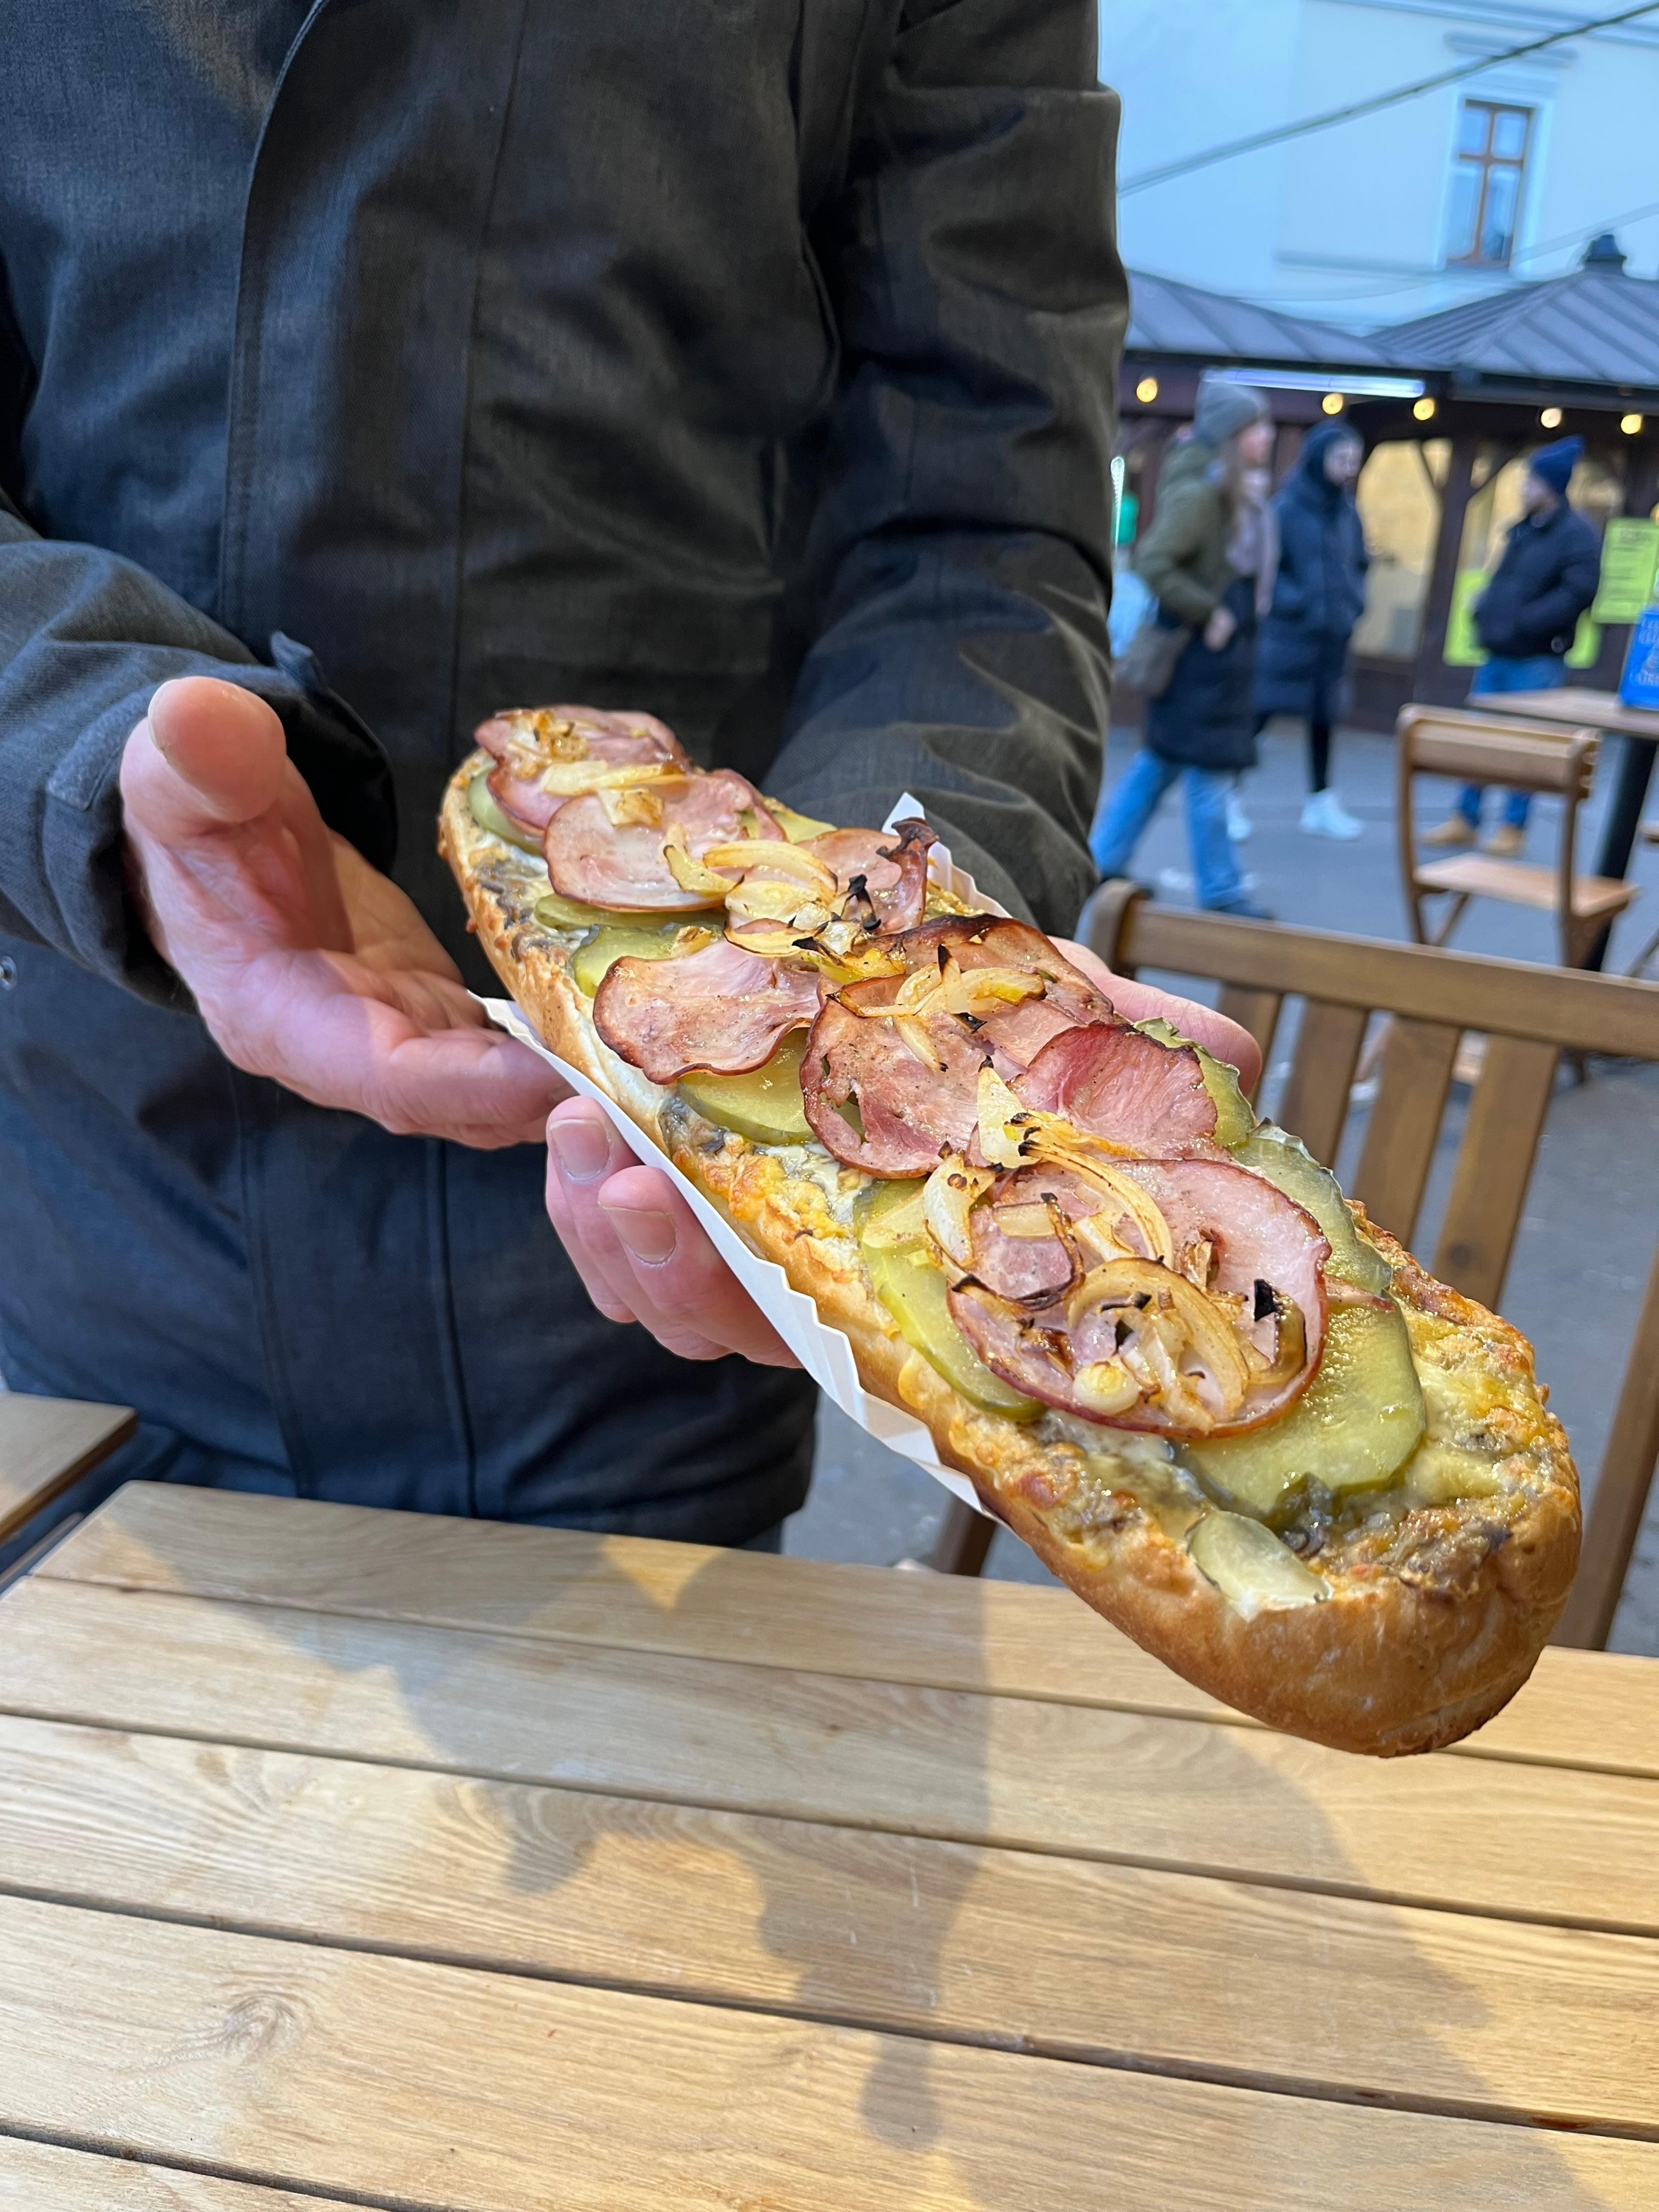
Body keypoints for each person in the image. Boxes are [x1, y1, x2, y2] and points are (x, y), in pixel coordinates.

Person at [0, 9, 1260, 1561]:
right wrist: (78, 755)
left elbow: (979, 525)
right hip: (96, 1220)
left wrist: (906, 967)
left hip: (662, 1285)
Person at [1092, 375, 1276, 918]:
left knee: (1158, 766)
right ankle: (1221, 889)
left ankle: (1101, 860)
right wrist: (1209, 610)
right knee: (1207, 778)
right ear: (1233, 434)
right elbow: (1153, 560)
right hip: (1199, 663)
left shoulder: (1230, 490)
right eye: (1257, 427)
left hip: (1212, 665)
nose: (1266, 436)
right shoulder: (1203, 494)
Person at [1425, 437, 1602, 857]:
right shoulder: (1523, 529)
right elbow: (1504, 582)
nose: (1524, 488)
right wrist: (1484, 611)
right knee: (1481, 739)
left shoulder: (1577, 536)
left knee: (1526, 745)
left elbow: (1578, 593)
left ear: (1551, 486)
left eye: (1532, 481)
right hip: (1498, 652)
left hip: (1537, 657)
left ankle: (1512, 827)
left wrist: (1526, 623)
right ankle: (1466, 819)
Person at [1251, 421, 1369, 842]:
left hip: (1332, 637)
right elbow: (1266, 567)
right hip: (1288, 635)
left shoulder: (1348, 511)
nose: (1349, 468)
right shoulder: (1286, 508)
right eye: (1342, 459)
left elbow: (1360, 564)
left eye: (1354, 460)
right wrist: (1297, 603)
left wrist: (1354, 602)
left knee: (1324, 719)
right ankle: (1225, 796)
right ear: (1320, 458)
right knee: (1260, 713)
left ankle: (1320, 801)